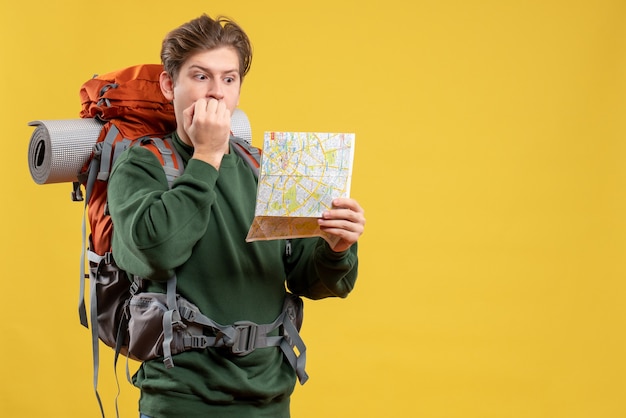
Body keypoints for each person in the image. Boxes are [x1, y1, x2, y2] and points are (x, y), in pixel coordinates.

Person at [107, 13, 365, 418]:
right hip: (182, 399)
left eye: (228, 79)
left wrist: (336, 249)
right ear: (169, 84)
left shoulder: (265, 168)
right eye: (201, 76)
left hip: (270, 397)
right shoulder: (142, 166)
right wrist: (207, 155)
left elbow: (308, 280)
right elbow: (157, 251)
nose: (216, 94)